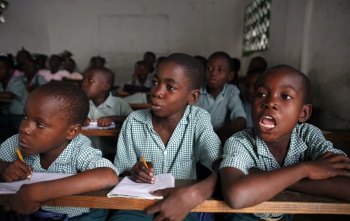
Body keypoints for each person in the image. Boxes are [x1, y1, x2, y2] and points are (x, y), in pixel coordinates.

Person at [220, 65, 350, 221]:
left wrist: (265, 177)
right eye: (261, 94)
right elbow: (237, 196)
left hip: (286, 216)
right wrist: (306, 169)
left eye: (286, 96)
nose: (270, 102)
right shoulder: (240, 142)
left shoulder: (309, 135)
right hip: (244, 217)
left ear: (303, 113)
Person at [109, 53, 222, 221]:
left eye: (170, 87)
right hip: (136, 204)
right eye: (155, 82)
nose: (157, 92)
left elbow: (220, 162)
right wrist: (134, 172)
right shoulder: (134, 121)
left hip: (180, 203)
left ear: (192, 97)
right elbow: (121, 170)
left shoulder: (198, 119)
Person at [0, 81, 119, 220]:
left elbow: (108, 175)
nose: (24, 128)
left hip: (77, 216)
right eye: (26, 117)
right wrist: (4, 167)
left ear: (71, 132)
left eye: (40, 124)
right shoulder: (17, 142)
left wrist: (38, 192)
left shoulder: (78, 149)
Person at [195, 51, 246, 144]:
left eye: (220, 70)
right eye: (209, 68)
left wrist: (214, 138)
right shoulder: (196, 91)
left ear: (230, 76)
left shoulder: (231, 91)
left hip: (219, 140)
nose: (213, 73)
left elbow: (240, 120)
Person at [82, 66, 133, 158]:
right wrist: (80, 119)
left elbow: (133, 119)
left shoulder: (119, 103)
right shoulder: (81, 104)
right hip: (87, 155)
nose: (84, 83)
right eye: (83, 79)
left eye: (90, 80)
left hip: (113, 155)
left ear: (105, 86)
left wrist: (113, 119)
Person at [0, 55, 28, 141]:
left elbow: (9, 95)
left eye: (1, 68)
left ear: (10, 71)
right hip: (10, 115)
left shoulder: (17, 81)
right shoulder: (1, 83)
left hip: (22, 115)